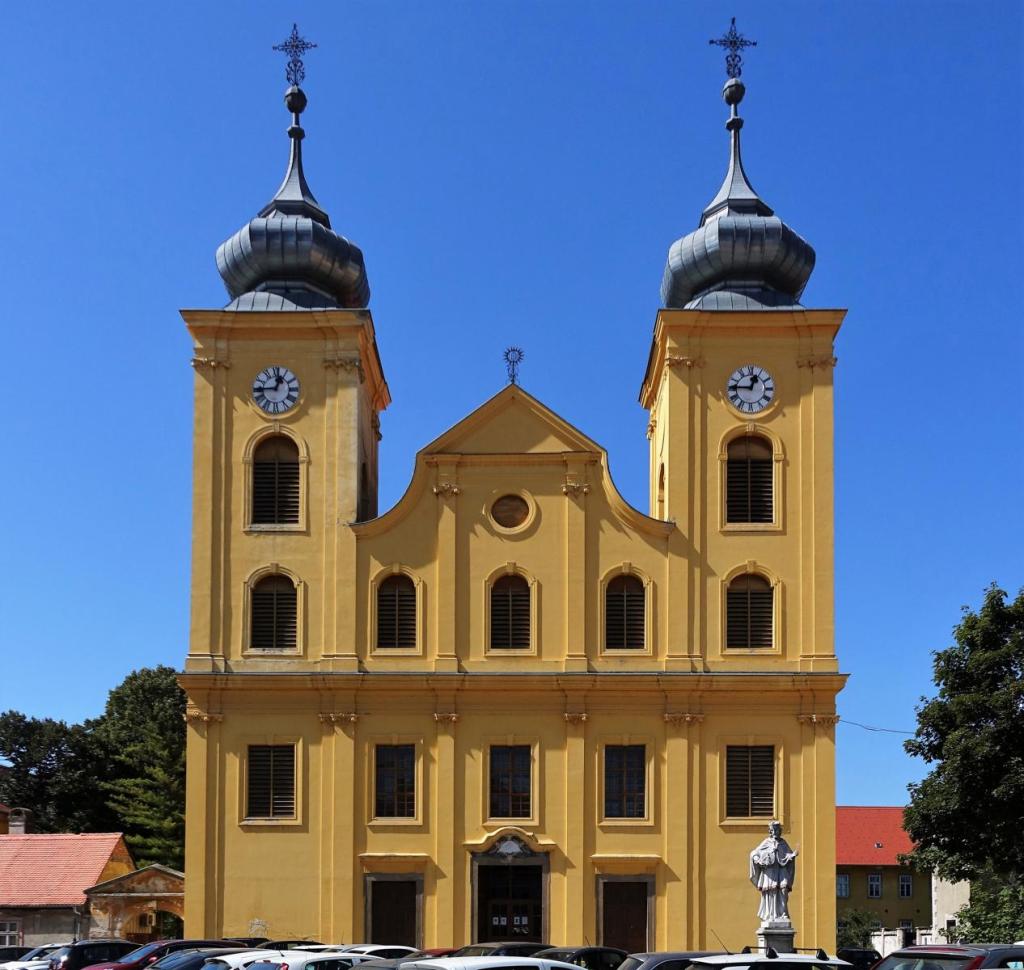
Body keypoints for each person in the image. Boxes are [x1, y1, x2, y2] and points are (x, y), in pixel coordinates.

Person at [749, 819, 799, 922]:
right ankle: (771, 914)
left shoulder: (783, 843)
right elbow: (754, 852)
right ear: (771, 831)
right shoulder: (766, 842)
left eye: (778, 830)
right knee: (771, 891)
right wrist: (757, 859)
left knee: (784, 888)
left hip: (781, 869)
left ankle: (783, 913)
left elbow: (787, 854)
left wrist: (792, 855)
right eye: (774, 830)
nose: (776, 832)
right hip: (770, 871)